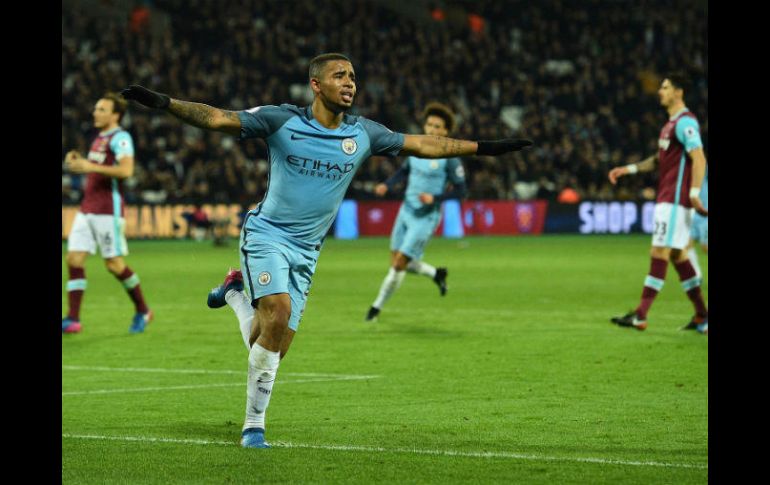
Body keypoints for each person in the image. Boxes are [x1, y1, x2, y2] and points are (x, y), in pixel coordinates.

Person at [121, 52, 533, 448]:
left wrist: (484, 148)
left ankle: (232, 292)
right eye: (340, 76)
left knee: (271, 344)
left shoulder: (364, 133)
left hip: (308, 251)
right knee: (277, 313)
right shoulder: (281, 120)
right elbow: (217, 118)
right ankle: (253, 427)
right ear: (316, 85)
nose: (350, 82)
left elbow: (425, 144)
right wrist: (164, 103)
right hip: (268, 234)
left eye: (353, 76)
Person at [608, 73, 708, 335]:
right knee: (678, 255)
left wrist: (695, 192)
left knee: (659, 252)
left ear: (679, 92)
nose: (659, 91)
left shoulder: (685, 123)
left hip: (674, 201)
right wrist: (627, 169)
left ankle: (640, 315)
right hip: (669, 200)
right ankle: (702, 316)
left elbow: (699, 158)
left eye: (665, 87)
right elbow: (656, 160)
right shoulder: (669, 125)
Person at [365, 102, 467, 322]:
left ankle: (375, 309)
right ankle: (436, 274)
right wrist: (387, 185)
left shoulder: (450, 158)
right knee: (399, 262)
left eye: (438, 127)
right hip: (406, 211)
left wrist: (435, 198)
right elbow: (404, 172)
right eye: (429, 125)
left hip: (426, 216)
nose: (432, 130)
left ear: (446, 132)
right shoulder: (416, 147)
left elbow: (461, 190)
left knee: (399, 264)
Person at [62, 93, 153, 334]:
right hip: (87, 208)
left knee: (113, 264)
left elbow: (126, 170)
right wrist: (79, 161)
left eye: (101, 109)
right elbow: (97, 168)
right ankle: (72, 318)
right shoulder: (99, 137)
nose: (95, 112)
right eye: (96, 108)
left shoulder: (121, 138)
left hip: (107, 210)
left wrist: (88, 166)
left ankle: (143, 310)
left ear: (115, 115)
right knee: (73, 259)